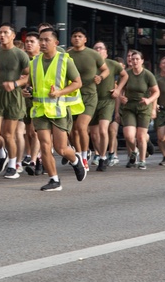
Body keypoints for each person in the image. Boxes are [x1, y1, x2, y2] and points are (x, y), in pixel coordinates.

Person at [29, 28, 87, 191]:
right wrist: (26, 91)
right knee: (45, 145)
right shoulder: (34, 62)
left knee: (61, 148)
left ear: (56, 43)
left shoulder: (65, 60)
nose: (42, 43)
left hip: (59, 110)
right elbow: (32, 86)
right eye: (41, 39)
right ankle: (54, 180)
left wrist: (59, 93)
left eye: (46, 40)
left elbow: (77, 82)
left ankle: (75, 160)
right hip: (40, 110)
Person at [0, 24, 30, 179]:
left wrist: (16, 83)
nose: (2, 35)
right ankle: (1, 153)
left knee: (8, 134)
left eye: (5, 32)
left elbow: (30, 76)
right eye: (0, 32)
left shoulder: (20, 54)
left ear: (13, 35)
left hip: (14, 96)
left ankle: (12, 165)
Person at [66, 28, 109, 169]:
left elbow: (105, 69)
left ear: (85, 39)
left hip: (90, 95)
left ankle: (84, 157)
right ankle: (78, 155)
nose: (77, 38)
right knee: (72, 132)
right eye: (74, 36)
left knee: (81, 127)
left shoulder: (93, 54)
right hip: (73, 96)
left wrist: (100, 77)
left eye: (80, 36)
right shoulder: (67, 55)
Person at [120, 50, 158, 169]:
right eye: (132, 59)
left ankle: (142, 160)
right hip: (129, 107)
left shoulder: (147, 75)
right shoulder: (126, 74)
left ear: (142, 61)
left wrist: (149, 101)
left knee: (141, 136)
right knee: (129, 136)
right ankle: (134, 150)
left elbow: (156, 92)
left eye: (137, 59)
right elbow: (119, 89)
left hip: (143, 107)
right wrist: (121, 97)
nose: (134, 61)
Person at [92, 41, 127, 170]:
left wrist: (118, 90)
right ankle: (99, 153)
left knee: (103, 129)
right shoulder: (90, 65)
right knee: (94, 134)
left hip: (107, 100)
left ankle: (102, 158)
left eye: (101, 48)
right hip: (92, 100)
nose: (98, 50)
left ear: (106, 52)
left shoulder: (113, 64)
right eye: (95, 48)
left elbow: (125, 76)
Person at [21, 29, 43, 175]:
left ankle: (33, 160)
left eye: (32, 42)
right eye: (27, 42)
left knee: (35, 133)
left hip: (40, 101)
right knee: (28, 133)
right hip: (25, 100)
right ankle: (38, 159)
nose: (28, 44)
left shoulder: (42, 60)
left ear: (39, 44)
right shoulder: (22, 59)